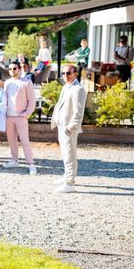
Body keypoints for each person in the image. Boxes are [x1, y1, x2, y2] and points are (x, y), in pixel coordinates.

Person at [51, 64, 87, 193]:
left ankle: (70, 183)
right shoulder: (67, 86)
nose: (66, 75)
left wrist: (70, 127)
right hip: (62, 126)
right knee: (66, 153)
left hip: (68, 128)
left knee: (70, 154)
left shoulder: (78, 89)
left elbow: (78, 112)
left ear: (75, 74)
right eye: (64, 73)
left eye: (69, 73)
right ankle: (67, 176)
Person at [3, 61, 37, 174]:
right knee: (11, 140)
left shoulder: (26, 83)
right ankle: (14, 160)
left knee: (24, 140)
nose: (12, 70)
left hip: (21, 116)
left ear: (19, 69)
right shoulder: (7, 83)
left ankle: (31, 164)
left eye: (14, 68)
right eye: (10, 69)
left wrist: (27, 114)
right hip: (8, 116)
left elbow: (32, 100)